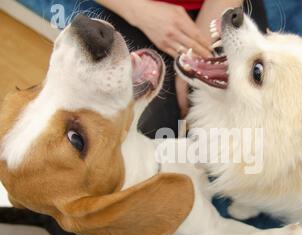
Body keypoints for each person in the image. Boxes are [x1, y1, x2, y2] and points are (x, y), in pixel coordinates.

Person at [96, 0, 268, 138]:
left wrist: (194, 65)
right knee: (143, 127)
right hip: (132, 8)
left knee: (248, 127)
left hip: (221, 5)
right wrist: (141, 12)